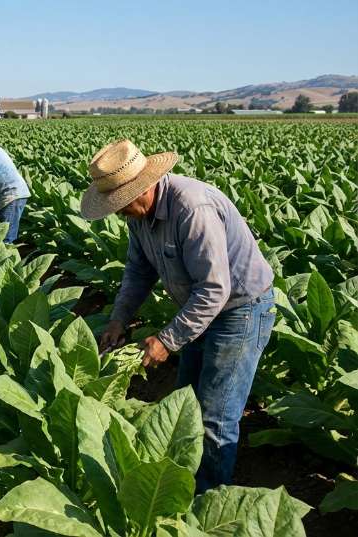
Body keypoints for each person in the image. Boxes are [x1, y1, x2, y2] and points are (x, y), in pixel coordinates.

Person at [82, 139, 275, 493]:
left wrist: (167, 340)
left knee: (215, 417)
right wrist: (118, 320)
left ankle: (207, 504)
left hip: (239, 311)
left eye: (121, 204)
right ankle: (176, 486)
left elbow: (216, 289)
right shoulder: (138, 216)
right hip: (198, 310)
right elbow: (138, 272)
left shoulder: (192, 208)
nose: (119, 212)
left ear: (144, 187)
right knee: (184, 404)